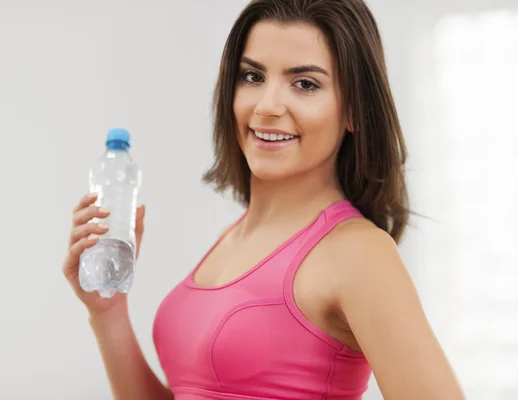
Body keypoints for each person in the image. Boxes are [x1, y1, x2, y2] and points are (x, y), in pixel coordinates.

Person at [63, 0, 466, 399]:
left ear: (354, 110)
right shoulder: (232, 240)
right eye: (252, 76)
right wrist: (108, 314)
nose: (267, 106)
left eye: (305, 83)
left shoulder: (359, 254)